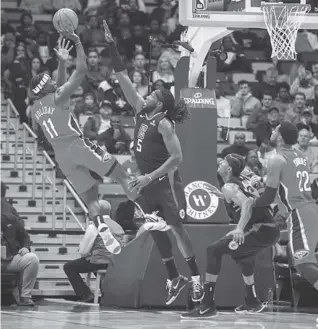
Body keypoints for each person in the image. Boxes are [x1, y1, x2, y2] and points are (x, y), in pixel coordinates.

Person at [103, 21, 203, 305]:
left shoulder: (164, 123)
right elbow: (122, 76)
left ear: (159, 104)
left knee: (176, 229)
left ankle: (195, 279)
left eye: (152, 95)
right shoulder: (139, 112)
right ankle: (174, 277)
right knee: (152, 226)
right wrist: (112, 46)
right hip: (145, 181)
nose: (146, 95)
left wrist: (149, 177)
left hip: (163, 182)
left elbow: (178, 158)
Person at [250, 121, 318, 324]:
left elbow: (270, 195)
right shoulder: (299, 155)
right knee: (307, 262)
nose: (272, 132)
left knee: (302, 263)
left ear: (279, 137)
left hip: (299, 213)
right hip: (310, 210)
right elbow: (284, 183)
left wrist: (251, 202)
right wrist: (261, 182)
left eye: (275, 130)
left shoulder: (276, 159)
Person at [28, 30, 139, 213]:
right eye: (49, 81)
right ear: (44, 88)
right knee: (121, 176)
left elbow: (58, 89)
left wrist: (63, 62)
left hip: (61, 156)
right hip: (77, 145)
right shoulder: (58, 97)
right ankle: (150, 214)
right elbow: (81, 71)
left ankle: (103, 232)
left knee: (91, 198)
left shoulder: (34, 109)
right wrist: (78, 42)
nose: (54, 81)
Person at [180, 154, 280, 318]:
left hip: (261, 228)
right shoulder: (239, 182)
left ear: (229, 168)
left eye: (223, 162)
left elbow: (247, 204)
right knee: (243, 256)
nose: (219, 163)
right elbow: (247, 198)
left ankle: (207, 305)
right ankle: (252, 301)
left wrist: (239, 228)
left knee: (213, 250)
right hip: (269, 229)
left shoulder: (229, 186)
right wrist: (222, 196)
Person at [63, 200, 124, 303]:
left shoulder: (94, 226)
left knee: (69, 267)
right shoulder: (118, 226)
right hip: (114, 262)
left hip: (99, 261)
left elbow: (83, 251)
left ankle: (86, 295)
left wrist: (87, 252)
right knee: (96, 263)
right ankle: (106, 293)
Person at [1, 213, 39, 306]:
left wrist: (25, 247)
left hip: (9, 258)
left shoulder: (11, 219)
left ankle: (25, 296)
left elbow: (25, 237)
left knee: (32, 259)